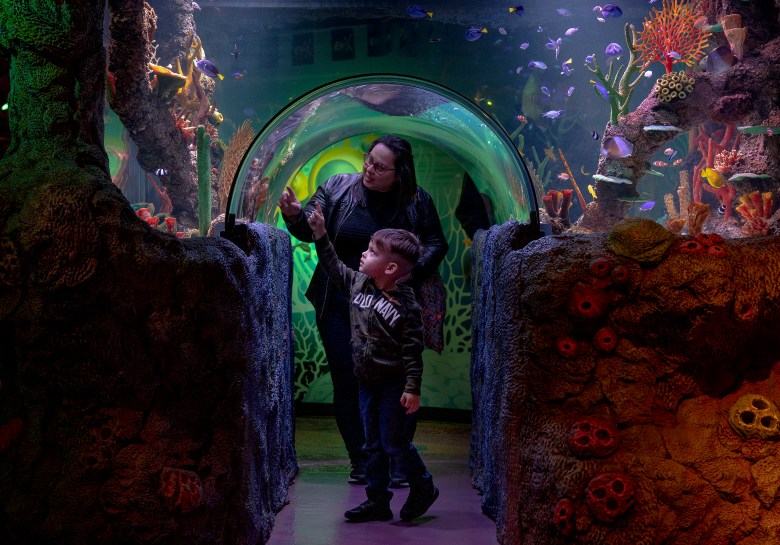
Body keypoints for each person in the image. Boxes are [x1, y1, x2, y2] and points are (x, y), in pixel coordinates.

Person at [278, 135, 448, 485]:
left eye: (380, 166)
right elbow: (312, 226)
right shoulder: (338, 187)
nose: (370, 169)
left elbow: (436, 243)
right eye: (369, 160)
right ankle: (362, 460)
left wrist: (408, 275)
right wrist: (295, 216)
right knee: (349, 379)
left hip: (395, 306)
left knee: (397, 381)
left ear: (399, 174)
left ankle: (396, 458)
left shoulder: (418, 200)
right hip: (341, 302)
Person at [306, 203, 439, 522]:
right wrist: (321, 234)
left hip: (393, 385)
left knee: (394, 442)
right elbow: (333, 265)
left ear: (391, 268)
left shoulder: (407, 307)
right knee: (372, 444)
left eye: (372, 251)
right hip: (366, 381)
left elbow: (412, 352)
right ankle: (378, 500)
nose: (363, 255)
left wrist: (412, 388)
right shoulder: (357, 284)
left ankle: (422, 486)